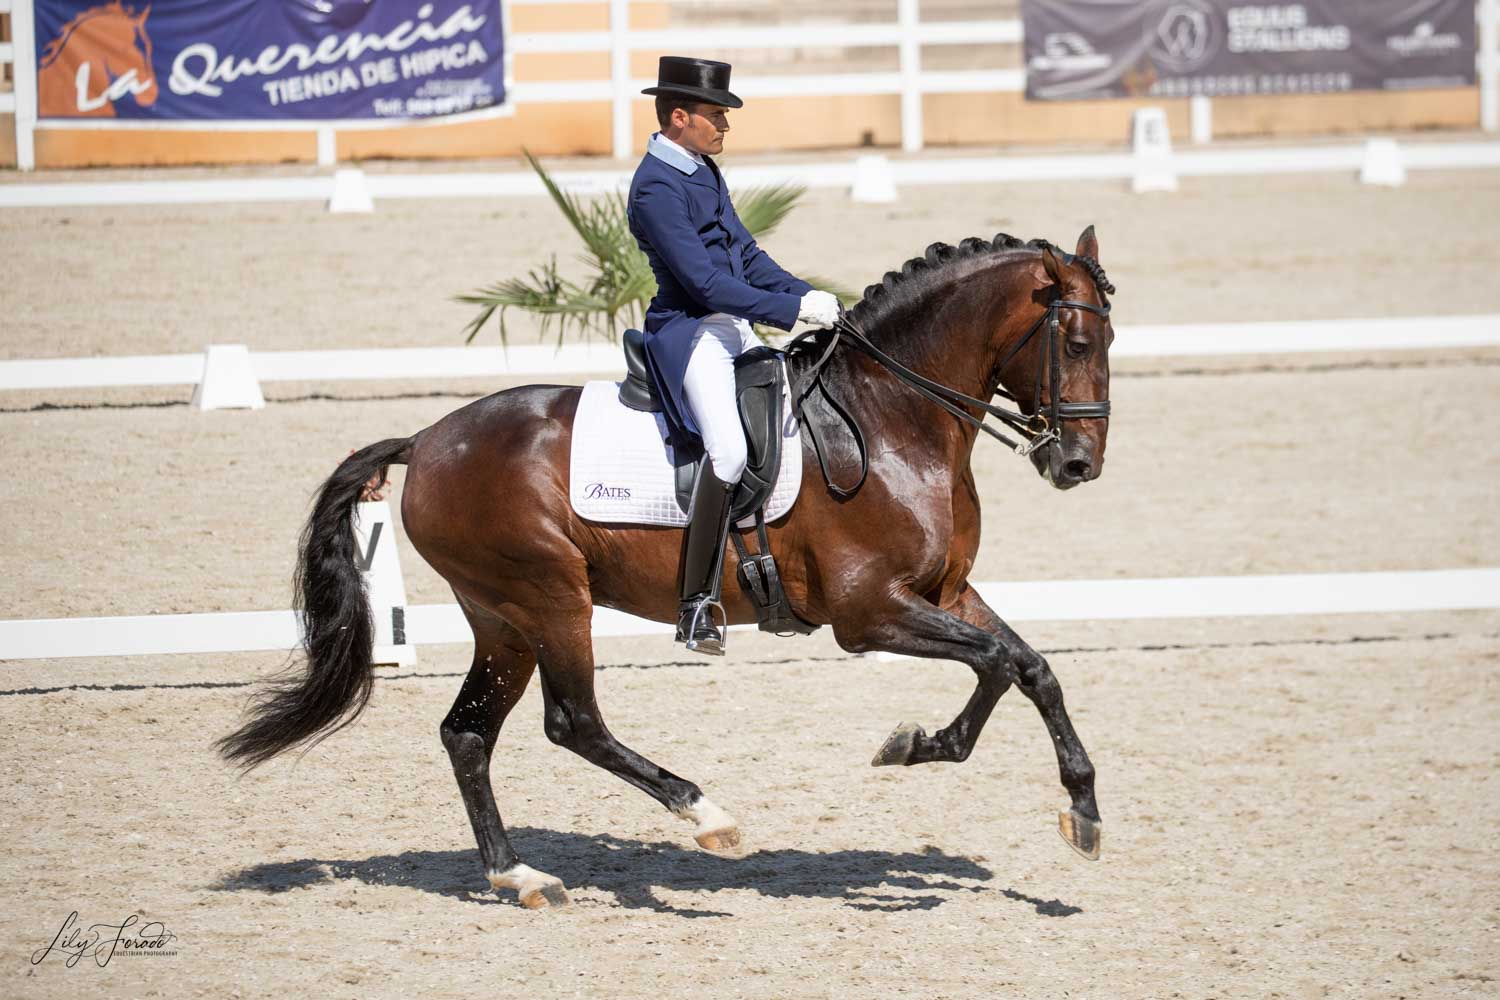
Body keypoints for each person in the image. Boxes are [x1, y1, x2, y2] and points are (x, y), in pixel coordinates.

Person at [627, 56, 840, 656]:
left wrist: (807, 293)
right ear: (678, 116)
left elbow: (745, 257)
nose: (726, 126)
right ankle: (695, 604)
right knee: (727, 451)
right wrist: (788, 312)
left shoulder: (702, 169)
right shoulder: (655, 187)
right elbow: (702, 284)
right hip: (689, 331)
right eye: (717, 115)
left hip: (733, 325)